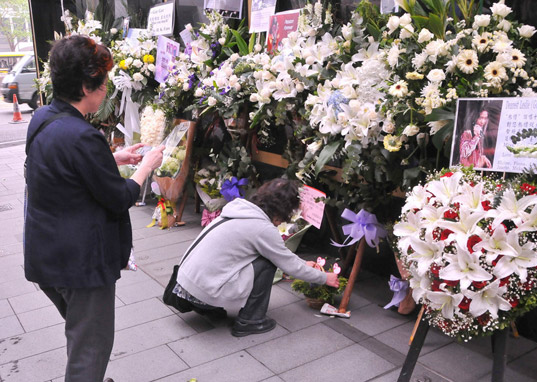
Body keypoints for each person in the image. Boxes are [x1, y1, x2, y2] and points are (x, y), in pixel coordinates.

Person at [24, 35, 165, 382]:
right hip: (81, 264)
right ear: (87, 87)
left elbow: (63, 168)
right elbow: (118, 198)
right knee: (91, 347)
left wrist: (111, 158)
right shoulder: (82, 136)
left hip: (46, 255)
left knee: (82, 334)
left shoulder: (43, 117)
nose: (106, 90)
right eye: (103, 83)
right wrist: (145, 167)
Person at [175, 178, 340, 336]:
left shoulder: (240, 210)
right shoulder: (261, 228)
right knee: (267, 262)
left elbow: (283, 255)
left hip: (185, 286)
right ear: (283, 210)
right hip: (203, 292)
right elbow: (288, 264)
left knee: (265, 257)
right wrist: (324, 277)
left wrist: (305, 263)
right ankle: (250, 321)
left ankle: (207, 307)